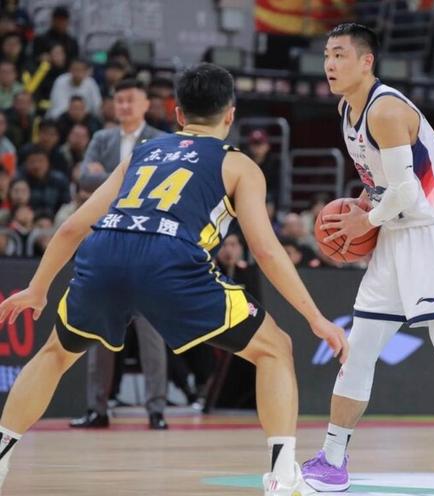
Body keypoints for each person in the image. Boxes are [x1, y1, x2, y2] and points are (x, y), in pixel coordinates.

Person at [0, 62, 347, 495]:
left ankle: (1, 453)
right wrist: (316, 318)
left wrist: (38, 288)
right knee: (275, 348)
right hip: (171, 260)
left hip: (106, 251)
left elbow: (72, 227)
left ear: (178, 114)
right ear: (230, 114)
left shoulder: (143, 152)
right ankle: (281, 477)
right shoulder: (239, 166)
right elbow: (265, 250)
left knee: (55, 353)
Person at [301, 23, 434, 496]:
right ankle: (332, 460)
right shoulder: (347, 109)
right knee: (360, 349)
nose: (330, 64)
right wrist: (364, 204)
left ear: (366, 62)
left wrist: (364, 221)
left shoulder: (385, 111)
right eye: (327, 56)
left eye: (340, 55)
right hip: (395, 234)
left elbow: (406, 191)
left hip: (431, 235)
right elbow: (382, 182)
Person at [71, 79, 168, 430]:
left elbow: (160, 189)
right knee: (99, 329)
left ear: (145, 104)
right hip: (107, 241)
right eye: (119, 100)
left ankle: (156, 409)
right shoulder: (102, 139)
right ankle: (97, 408)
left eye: (130, 100)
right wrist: (132, 184)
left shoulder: (162, 140)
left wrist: (108, 181)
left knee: (151, 330)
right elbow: (84, 176)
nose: (124, 106)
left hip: (148, 244)